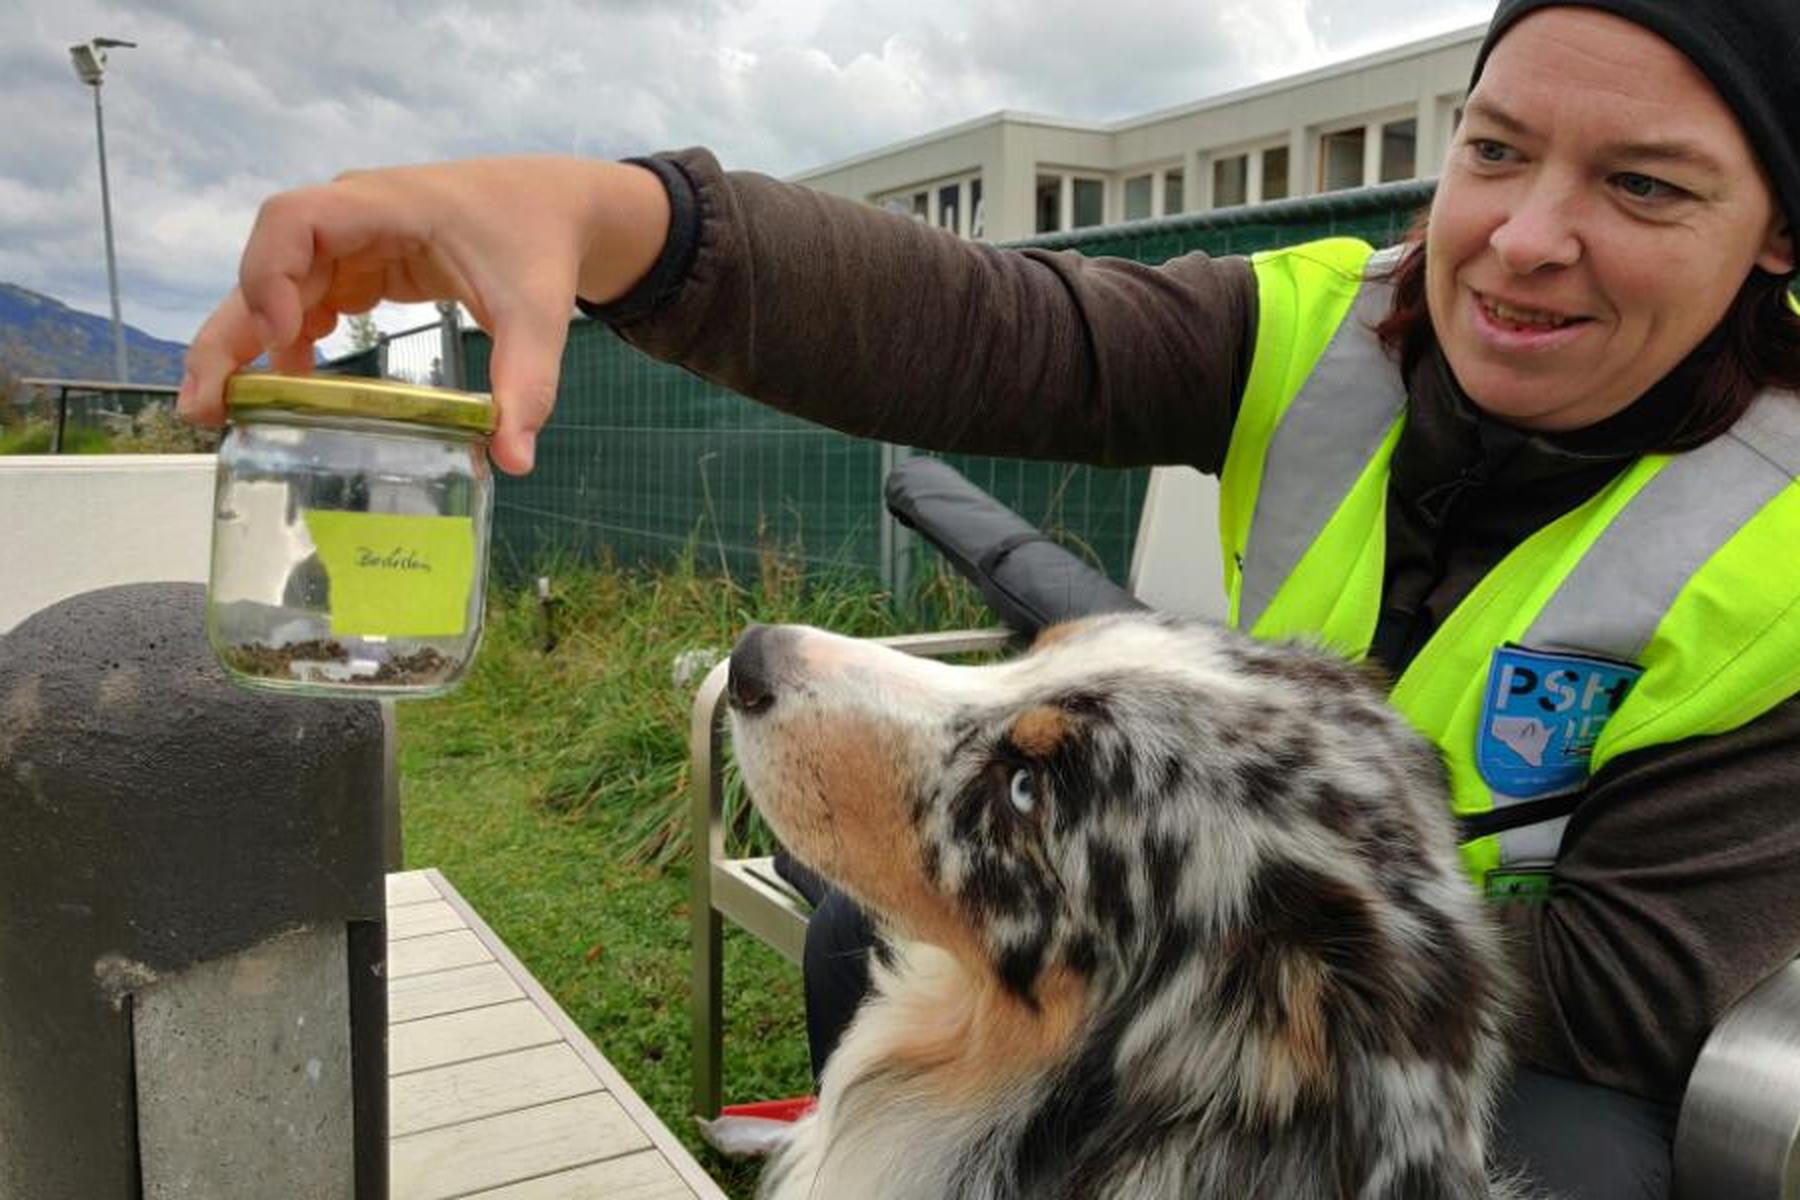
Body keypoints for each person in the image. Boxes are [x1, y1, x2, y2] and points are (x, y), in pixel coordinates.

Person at [180, 1, 1800, 1196]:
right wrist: (610, 224)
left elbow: (1645, 981)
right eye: (1495, 151)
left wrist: (1235, 909)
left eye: (1644, 188)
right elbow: (979, 322)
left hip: (1474, 1041)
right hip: (1175, 928)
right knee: (857, 935)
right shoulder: (1330, 327)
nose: (1522, 241)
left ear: (1779, 229)